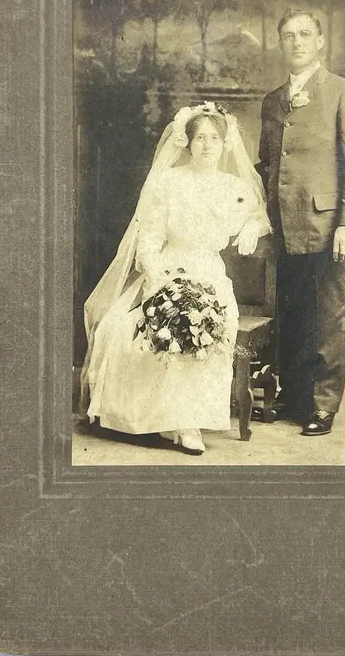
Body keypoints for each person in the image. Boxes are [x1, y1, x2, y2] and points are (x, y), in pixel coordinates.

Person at [81, 103, 271, 455]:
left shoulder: (234, 186)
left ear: (225, 143)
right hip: (170, 267)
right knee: (129, 330)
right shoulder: (169, 181)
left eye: (215, 138)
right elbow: (149, 237)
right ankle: (174, 421)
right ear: (186, 141)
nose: (208, 145)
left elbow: (258, 213)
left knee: (211, 324)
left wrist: (251, 226)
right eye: (200, 137)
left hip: (210, 272)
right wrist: (155, 273)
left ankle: (189, 419)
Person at [257, 9, 345, 436]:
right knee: (292, 314)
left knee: (330, 316)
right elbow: (267, 163)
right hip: (285, 226)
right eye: (287, 35)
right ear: (280, 43)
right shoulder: (272, 101)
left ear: (321, 41)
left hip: (331, 228)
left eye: (305, 34)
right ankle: (292, 396)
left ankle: (323, 406)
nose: (296, 42)